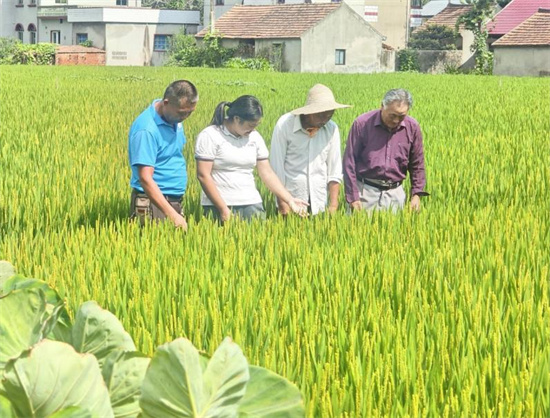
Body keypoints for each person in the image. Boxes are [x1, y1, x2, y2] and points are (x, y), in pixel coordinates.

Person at [195, 95, 308, 223]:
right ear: (237, 119)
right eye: (251, 125)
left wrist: (289, 199)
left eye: (256, 125)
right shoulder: (210, 135)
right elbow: (203, 175)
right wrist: (223, 209)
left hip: (251, 203)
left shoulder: (255, 138)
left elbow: (266, 173)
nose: (253, 129)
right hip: (219, 204)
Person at [269, 84, 350, 216]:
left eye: (330, 114)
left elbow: (334, 169)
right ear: (310, 111)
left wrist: (334, 205)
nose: (325, 119)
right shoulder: (285, 125)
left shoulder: (331, 128)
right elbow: (276, 168)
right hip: (292, 199)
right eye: (321, 115)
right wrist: (283, 205)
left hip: (319, 200)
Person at [343, 88, 428, 212]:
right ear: (382, 106)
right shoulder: (362, 124)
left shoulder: (412, 127)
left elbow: (417, 164)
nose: (396, 120)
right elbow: (349, 162)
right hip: (365, 192)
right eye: (392, 115)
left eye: (401, 116)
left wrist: (416, 194)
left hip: (395, 194)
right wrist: (353, 197)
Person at [128, 80, 198, 230]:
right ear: (166, 102)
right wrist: (172, 215)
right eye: (182, 112)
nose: (185, 117)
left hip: (171, 199)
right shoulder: (146, 130)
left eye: (190, 112)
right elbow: (145, 178)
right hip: (154, 202)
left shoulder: (174, 119)